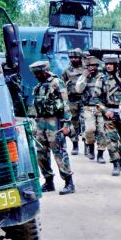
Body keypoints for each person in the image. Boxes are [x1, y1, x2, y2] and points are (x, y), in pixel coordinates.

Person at [30, 60, 75, 195]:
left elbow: (65, 104)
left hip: (54, 121)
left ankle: (69, 182)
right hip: (41, 122)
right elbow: (36, 107)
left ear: (44, 71)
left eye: (38, 73)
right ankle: (49, 181)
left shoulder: (56, 83)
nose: (36, 76)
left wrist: (67, 123)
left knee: (59, 151)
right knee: (41, 152)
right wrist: (35, 125)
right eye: (35, 74)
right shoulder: (39, 86)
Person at [100, 54, 121, 176]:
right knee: (111, 140)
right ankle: (116, 163)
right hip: (109, 113)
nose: (108, 66)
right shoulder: (101, 80)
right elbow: (96, 100)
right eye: (107, 64)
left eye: (111, 64)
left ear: (116, 65)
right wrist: (104, 110)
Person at [75, 55, 108, 163]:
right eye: (89, 66)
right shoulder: (83, 77)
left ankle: (100, 154)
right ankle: (90, 147)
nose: (91, 68)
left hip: (101, 107)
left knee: (102, 131)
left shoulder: (103, 77)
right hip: (88, 107)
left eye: (94, 65)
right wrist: (84, 77)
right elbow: (78, 90)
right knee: (89, 130)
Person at [61, 48, 85, 155]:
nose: (73, 59)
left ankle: (88, 146)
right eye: (71, 57)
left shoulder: (86, 69)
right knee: (73, 124)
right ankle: (75, 145)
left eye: (75, 57)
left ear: (80, 58)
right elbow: (62, 85)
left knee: (85, 124)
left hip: (84, 100)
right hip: (72, 100)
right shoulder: (66, 70)